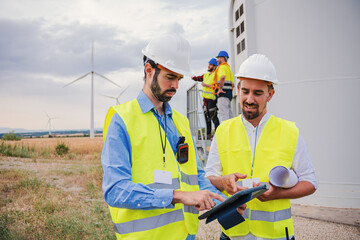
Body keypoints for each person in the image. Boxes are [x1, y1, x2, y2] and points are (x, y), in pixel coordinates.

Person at [101, 33, 245, 240]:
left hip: (186, 235)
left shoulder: (181, 122)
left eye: (179, 78)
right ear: (149, 70)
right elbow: (115, 190)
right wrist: (178, 196)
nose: (176, 86)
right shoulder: (121, 119)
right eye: (170, 77)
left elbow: (194, 178)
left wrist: (224, 203)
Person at [205, 54, 317, 240]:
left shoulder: (290, 131)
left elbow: (311, 182)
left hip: (276, 236)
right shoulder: (223, 130)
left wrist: (278, 194)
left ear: (270, 94)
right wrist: (223, 181)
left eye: (258, 93)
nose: (249, 99)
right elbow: (209, 176)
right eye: (245, 91)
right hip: (233, 234)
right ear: (238, 89)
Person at [192, 58, 220, 139]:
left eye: (210, 65)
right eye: (208, 64)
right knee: (206, 117)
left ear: (214, 67)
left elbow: (217, 86)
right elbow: (198, 78)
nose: (208, 66)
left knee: (213, 117)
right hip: (205, 100)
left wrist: (206, 85)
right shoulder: (206, 75)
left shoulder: (216, 75)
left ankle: (218, 134)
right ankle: (208, 135)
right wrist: (192, 77)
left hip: (212, 99)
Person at [212, 50, 234, 122]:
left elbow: (222, 77)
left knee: (224, 115)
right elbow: (232, 84)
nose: (217, 60)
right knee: (229, 114)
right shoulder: (228, 68)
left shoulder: (222, 67)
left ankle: (226, 132)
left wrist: (220, 89)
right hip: (228, 94)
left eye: (218, 58)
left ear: (222, 58)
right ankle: (232, 131)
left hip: (222, 94)